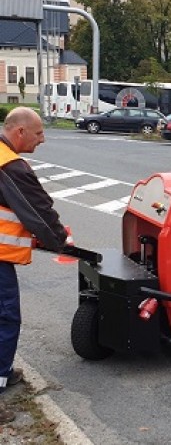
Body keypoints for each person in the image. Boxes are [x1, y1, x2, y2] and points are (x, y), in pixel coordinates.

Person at [0, 107, 69, 423]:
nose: (43, 139)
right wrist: (59, 240)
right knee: (6, 315)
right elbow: (38, 210)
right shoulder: (11, 166)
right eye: (39, 133)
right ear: (20, 133)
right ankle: (0, 376)